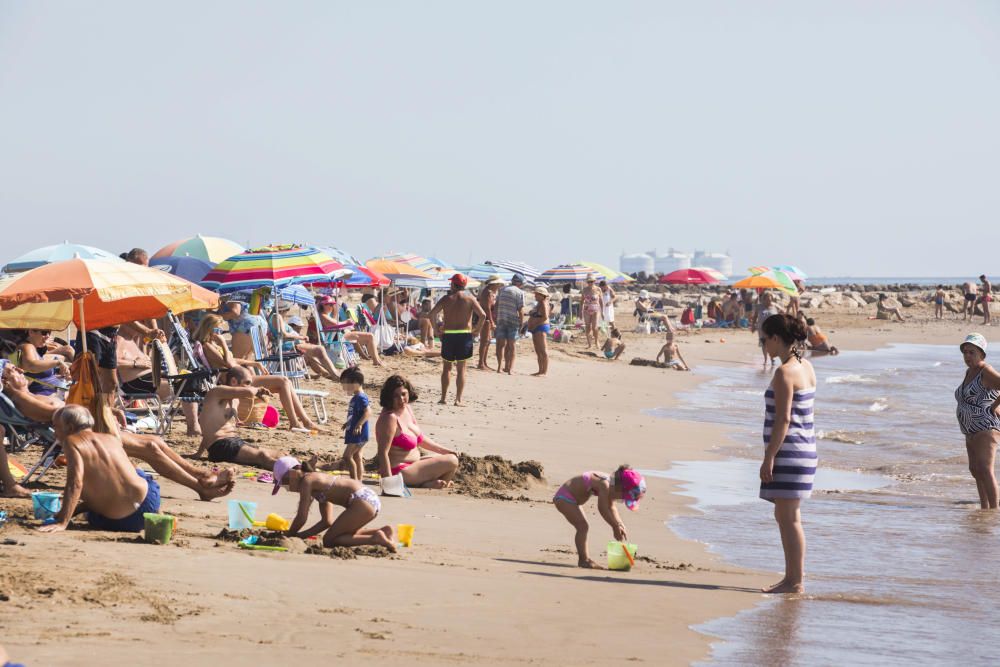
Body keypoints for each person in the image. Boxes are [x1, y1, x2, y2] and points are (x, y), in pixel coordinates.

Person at [1, 364, 235, 501]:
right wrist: (100, 415)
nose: (19, 370)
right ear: (5, 380)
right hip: (83, 432)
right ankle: (200, 486)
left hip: (88, 423)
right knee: (150, 447)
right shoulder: (22, 398)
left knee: (153, 439)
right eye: (11, 369)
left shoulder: (27, 394)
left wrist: (107, 409)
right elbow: (59, 416)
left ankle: (201, 476)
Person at [758, 313, 817, 594]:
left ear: (776, 339)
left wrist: (769, 456)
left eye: (764, 340)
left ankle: (795, 580)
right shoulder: (806, 366)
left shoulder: (784, 373)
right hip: (805, 449)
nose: (763, 346)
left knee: (789, 518)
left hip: (789, 453)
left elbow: (783, 420)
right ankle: (792, 577)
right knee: (787, 516)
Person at [37, 405, 161, 533]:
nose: (55, 432)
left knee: (91, 502)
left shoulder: (71, 441)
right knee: (131, 471)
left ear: (70, 427)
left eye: (56, 426)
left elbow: (75, 483)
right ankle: (156, 515)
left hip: (125, 521)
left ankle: (75, 512)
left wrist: (63, 521)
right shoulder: (110, 438)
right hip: (150, 500)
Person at [193, 314, 322, 433]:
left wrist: (253, 363)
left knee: (285, 382)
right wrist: (223, 344)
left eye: (221, 331)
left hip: (239, 377)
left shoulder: (213, 345)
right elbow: (229, 363)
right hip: (234, 382)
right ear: (209, 329)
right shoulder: (207, 346)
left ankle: (304, 422)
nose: (220, 334)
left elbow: (232, 360)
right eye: (217, 330)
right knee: (282, 382)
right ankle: (296, 422)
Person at [273, 456, 396, 551]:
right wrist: (300, 536)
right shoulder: (317, 483)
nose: (287, 488)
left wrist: (289, 534)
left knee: (329, 540)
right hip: (369, 499)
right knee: (342, 534)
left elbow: (301, 517)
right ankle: (382, 531)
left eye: (285, 483)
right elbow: (327, 521)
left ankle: (375, 539)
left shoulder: (307, 481)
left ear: (292, 473)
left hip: (361, 501)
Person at [552, 465, 646, 568]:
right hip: (564, 498)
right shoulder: (604, 484)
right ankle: (584, 560)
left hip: (573, 501)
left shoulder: (612, 485)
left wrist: (619, 523)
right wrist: (614, 527)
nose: (622, 500)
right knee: (583, 527)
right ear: (620, 488)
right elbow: (603, 508)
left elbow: (612, 507)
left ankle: (585, 559)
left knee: (583, 527)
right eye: (623, 497)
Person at [375, 375, 459, 488]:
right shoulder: (390, 418)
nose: (401, 399)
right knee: (452, 460)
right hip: (400, 471)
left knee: (449, 457)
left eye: (403, 394)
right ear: (389, 398)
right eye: (395, 396)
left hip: (414, 465)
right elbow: (382, 452)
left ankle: (426, 483)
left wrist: (445, 450)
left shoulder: (407, 409)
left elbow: (421, 439)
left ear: (408, 393)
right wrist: (389, 483)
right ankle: (426, 484)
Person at [194, 366, 285, 469]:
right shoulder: (217, 392)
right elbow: (250, 392)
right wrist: (258, 390)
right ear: (233, 381)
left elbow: (211, 427)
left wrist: (198, 453)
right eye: (247, 383)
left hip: (233, 442)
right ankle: (292, 475)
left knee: (280, 454)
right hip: (220, 446)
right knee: (262, 456)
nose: (249, 386)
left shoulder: (236, 400)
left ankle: (301, 468)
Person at [117, 331, 201, 436]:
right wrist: (135, 363)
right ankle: (193, 426)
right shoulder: (119, 339)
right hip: (136, 383)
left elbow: (148, 363)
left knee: (190, 379)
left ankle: (194, 425)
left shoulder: (136, 339)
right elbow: (114, 362)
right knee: (186, 384)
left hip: (149, 379)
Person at [955, 333, 999, 509]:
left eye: (971, 352)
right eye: (965, 352)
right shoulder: (969, 372)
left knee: (985, 469)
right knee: (975, 470)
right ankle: (984, 508)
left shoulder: (985, 370)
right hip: (969, 431)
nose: (967, 356)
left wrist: (995, 406)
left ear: (981, 353)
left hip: (986, 428)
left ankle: (994, 512)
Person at [429, 274, 487, 406]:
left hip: (449, 335)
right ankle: (458, 399)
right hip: (464, 335)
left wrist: (436, 331)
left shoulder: (446, 299)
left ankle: (443, 398)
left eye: (451, 283)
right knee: (461, 369)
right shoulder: (470, 299)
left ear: (454, 285)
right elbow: (483, 315)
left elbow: (431, 314)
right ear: (464, 285)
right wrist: (477, 330)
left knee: (446, 369)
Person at [269, 307, 340, 381]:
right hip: (290, 346)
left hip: (292, 345)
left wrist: (300, 337)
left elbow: (279, 335)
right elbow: (283, 335)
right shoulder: (277, 316)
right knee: (320, 349)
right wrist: (300, 338)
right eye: (287, 309)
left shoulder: (275, 318)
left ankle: (327, 374)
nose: (287, 312)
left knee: (311, 357)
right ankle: (334, 374)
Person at [315, 296, 384, 367]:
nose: (331, 306)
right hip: (334, 337)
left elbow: (335, 323)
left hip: (336, 335)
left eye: (332, 304)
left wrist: (336, 312)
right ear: (322, 305)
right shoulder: (323, 315)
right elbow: (336, 324)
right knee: (370, 336)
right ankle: (376, 360)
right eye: (329, 304)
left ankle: (376, 360)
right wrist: (346, 322)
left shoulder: (326, 314)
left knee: (370, 336)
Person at [16, 328, 71, 396]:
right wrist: (57, 363)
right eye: (44, 332)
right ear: (31, 332)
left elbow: (35, 376)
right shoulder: (27, 346)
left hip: (55, 390)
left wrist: (59, 375)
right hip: (48, 395)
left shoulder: (32, 347)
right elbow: (31, 366)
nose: (48, 336)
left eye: (49, 332)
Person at [339, 367, 371, 481]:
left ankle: (354, 481)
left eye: (345, 384)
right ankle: (359, 481)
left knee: (347, 457)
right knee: (357, 457)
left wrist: (359, 425)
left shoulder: (361, 397)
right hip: (357, 432)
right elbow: (356, 414)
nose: (343, 387)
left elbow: (368, 412)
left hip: (358, 434)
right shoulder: (356, 397)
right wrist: (348, 422)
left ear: (355, 383)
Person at [494, 274, 526, 374]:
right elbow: (521, 310)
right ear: (520, 283)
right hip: (513, 321)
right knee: (511, 346)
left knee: (500, 345)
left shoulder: (502, 290)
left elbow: (496, 306)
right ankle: (510, 369)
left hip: (501, 320)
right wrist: (521, 324)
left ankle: (499, 367)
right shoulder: (520, 292)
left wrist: (497, 318)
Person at [476, 275, 504, 370]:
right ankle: (481, 363)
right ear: (494, 284)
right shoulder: (487, 292)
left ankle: (484, 362)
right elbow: (487, 309)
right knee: (484, 341)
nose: (499, 286)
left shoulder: (491, 292)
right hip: (486, 319)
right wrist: (492, 321)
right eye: (498, 284)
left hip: (488, 318)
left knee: (487, 341)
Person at [526, 285, 551, 377]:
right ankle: (540, 370)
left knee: (543, 350)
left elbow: (545, 317)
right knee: (538, 350)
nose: (535, 296)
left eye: (537, 294)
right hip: (536, 328)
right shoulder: (539, 303)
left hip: (540, 327)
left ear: (542, 295)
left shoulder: (544, 303)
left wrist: (535, 324)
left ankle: (544, 372)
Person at [580, 275, 601, 348]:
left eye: (591, 281)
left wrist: (603, 311)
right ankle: (589, 344)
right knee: (588, 327)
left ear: (594, 281)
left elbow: (601, 301)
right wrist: (580, 312)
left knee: (595, 327)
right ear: (587, 282)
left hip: (596, 310)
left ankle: (596, 341)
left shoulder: (598, 289)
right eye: (589, 281)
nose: (590, 283)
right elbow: (581, 301)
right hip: (586, 310)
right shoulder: (584, 290)